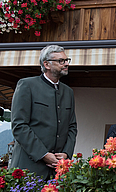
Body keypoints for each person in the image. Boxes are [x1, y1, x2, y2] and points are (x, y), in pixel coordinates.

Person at [10, 45, 77, 180]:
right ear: (46, 64)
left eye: (66, 60)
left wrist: (66, 153)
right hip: (28, 168)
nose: (66, 64)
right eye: (61, 61)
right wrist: (43, 154)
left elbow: (72, 127)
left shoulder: (68, 92)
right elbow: (19, 126)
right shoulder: (27, 85)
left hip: (57, 171)